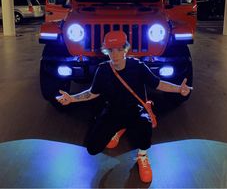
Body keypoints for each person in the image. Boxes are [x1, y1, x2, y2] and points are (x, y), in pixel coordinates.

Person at [56, 30, 192, 183]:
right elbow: (93, 93)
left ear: (125, 49)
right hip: (112, 112)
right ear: (106, 51)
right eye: (111, 50)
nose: (115, 54)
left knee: (144, 126)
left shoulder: (138, 66)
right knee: (93, 148)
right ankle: (119, 129)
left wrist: (179, 89)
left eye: (119, 49)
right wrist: (72, 99)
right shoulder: (103, 69)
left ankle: (142, 155)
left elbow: (158, 84)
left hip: (135, 111)